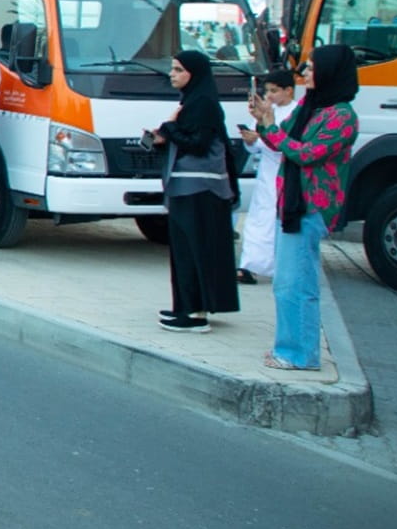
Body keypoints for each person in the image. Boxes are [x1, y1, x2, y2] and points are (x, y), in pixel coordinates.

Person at [248, 43, 359, 371]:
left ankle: (299, 354)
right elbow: (280, 140)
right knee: (287, 282)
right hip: (292, 203)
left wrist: (271, 129)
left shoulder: (342, 115)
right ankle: (290, 348)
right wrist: (265, 120)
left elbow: (306, 153)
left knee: (297, 282)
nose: (305, 73)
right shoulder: (309, 107)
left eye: (312, 67)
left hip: (312, 206)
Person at [144, 51, 241, 332]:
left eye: (178, 69)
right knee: (184, 250)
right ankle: (185, 306)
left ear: (194, 73)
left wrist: (170, 129)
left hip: (201, 189)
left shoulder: (204, 104)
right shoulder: (193, 101)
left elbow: (198, 143)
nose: (172, 74)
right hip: (186, 188)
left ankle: (197, 313)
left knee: (196, 248)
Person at [237, 69, 297, 283]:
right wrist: (250, 139)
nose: (269, 95)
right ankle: (249, 265)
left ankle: (276, 266)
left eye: (274, 91)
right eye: (267, 91)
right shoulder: (266, 111)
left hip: (285, 172)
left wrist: (261, 139)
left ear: (288, 90)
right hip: (266, 172)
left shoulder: (296, 113)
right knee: (258, 219)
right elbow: (256, 148)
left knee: (275, 220)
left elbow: (286, 144)